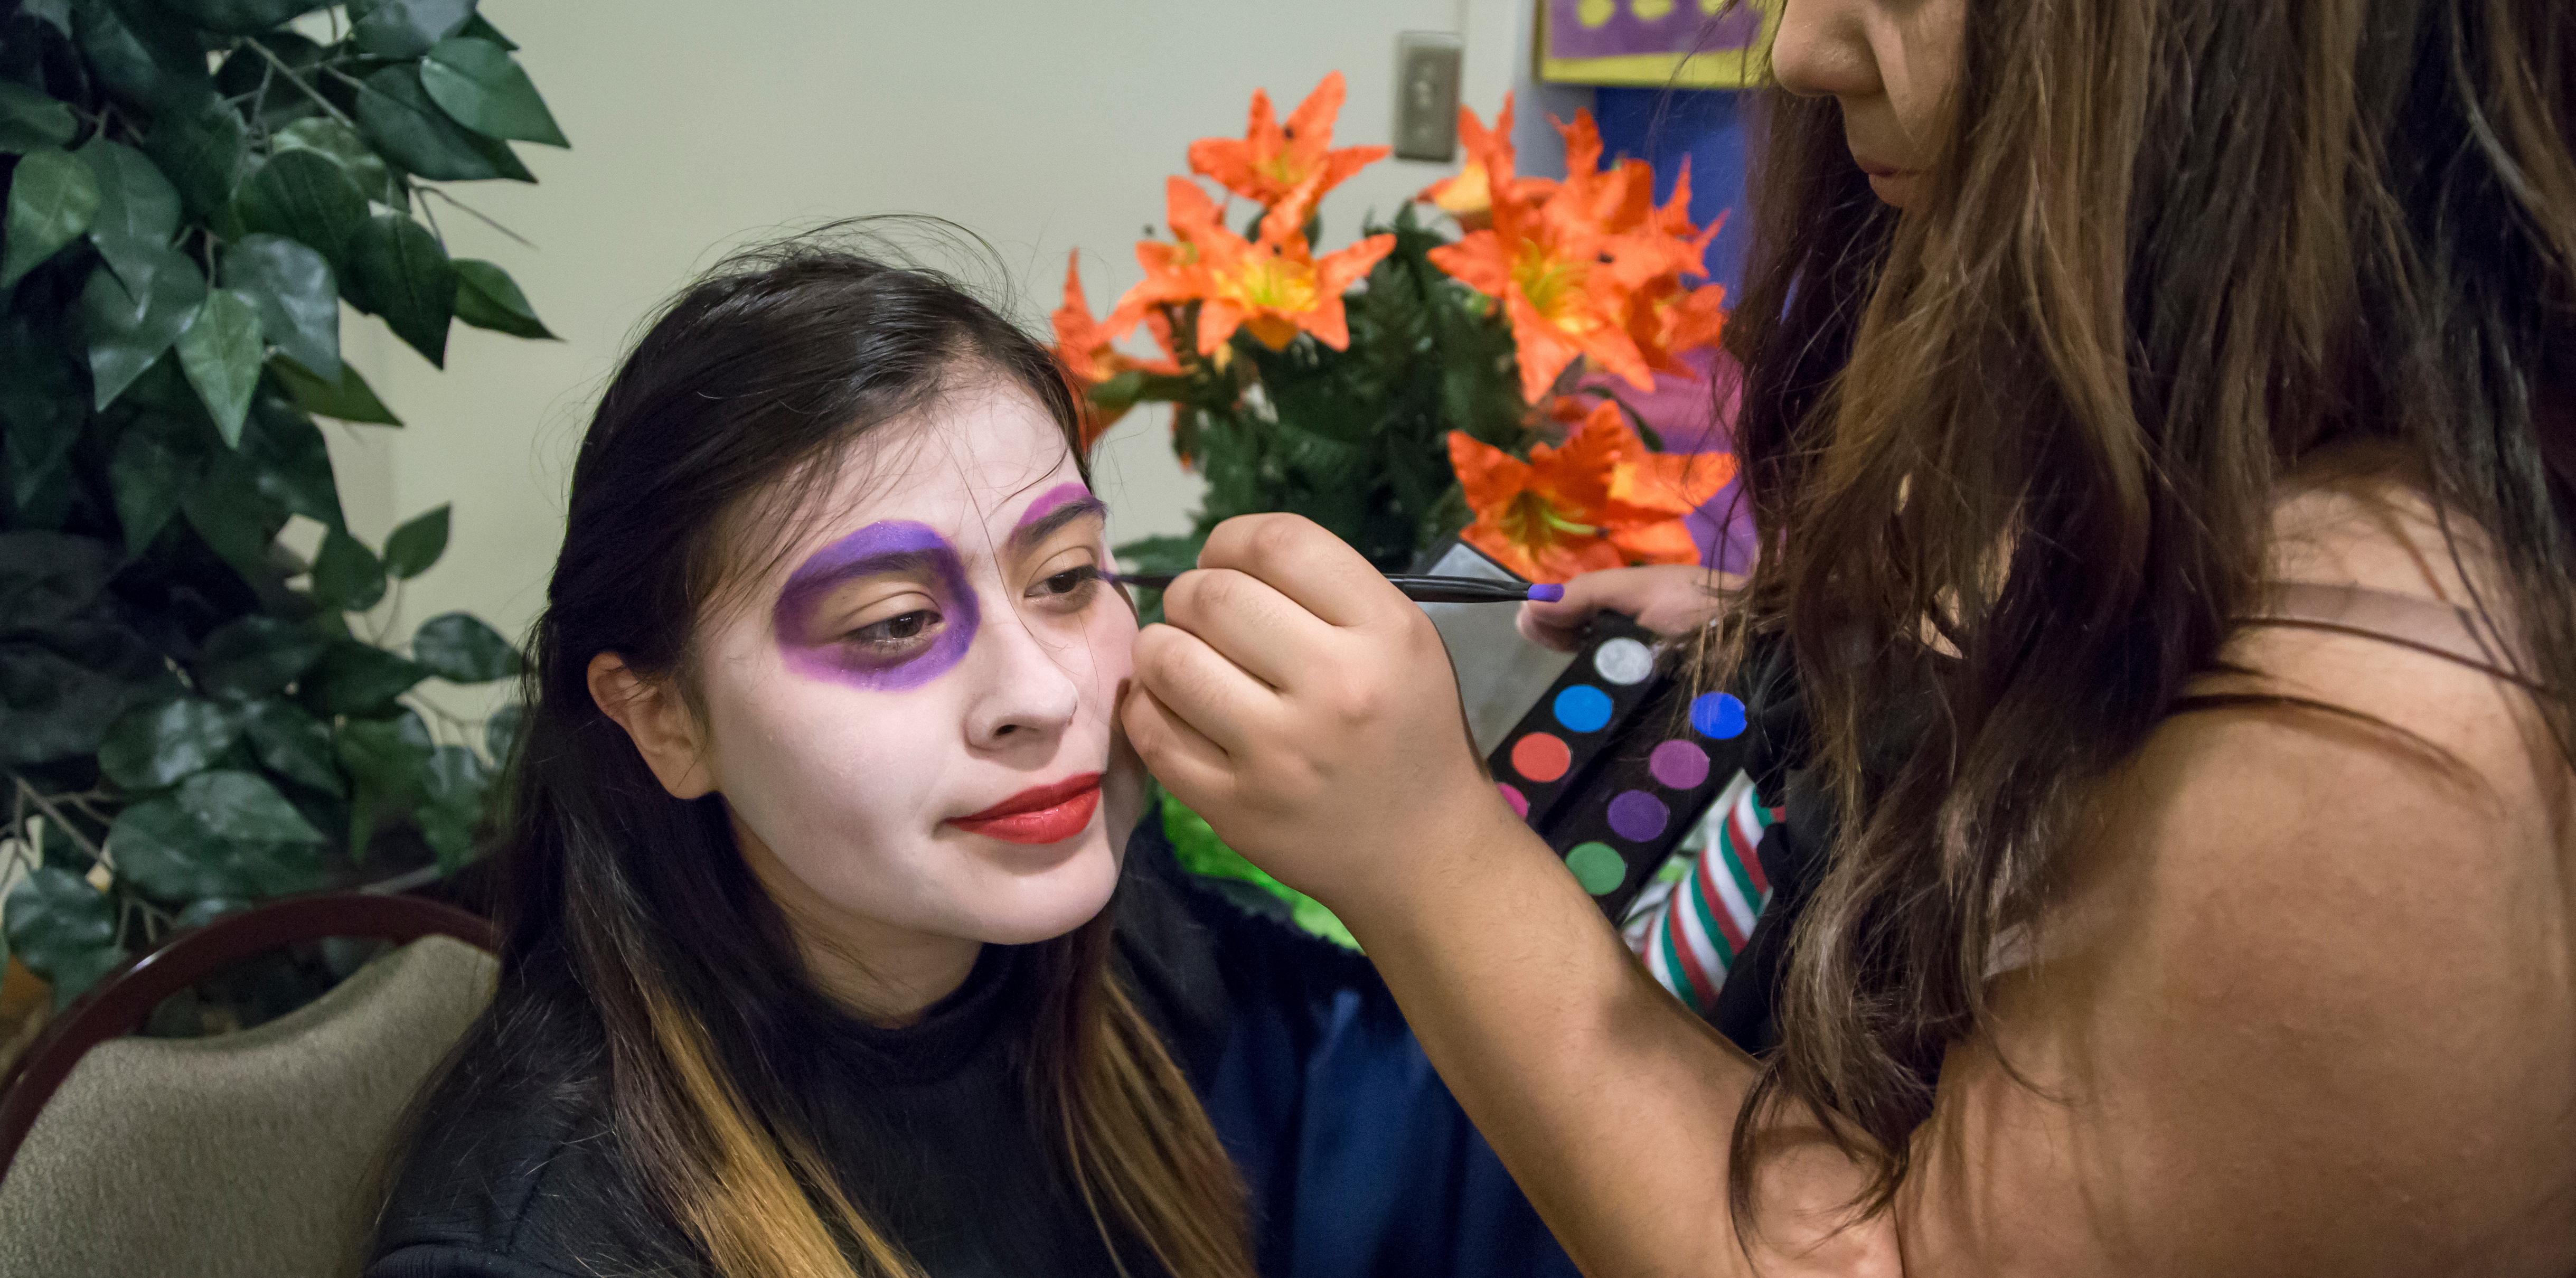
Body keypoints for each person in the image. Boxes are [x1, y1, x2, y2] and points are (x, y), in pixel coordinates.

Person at [1118, 0, 2576, 1272]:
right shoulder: (2245, 467)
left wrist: (1422, 852)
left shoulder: (2386, 760)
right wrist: (1835, 660)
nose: (1802, 46)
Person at [363, 236, 1576, 1278]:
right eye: (894, 626)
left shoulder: (1114, 947)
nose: (1043, 695)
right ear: (667, 723)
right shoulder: (549, 1239)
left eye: (1064, 580)